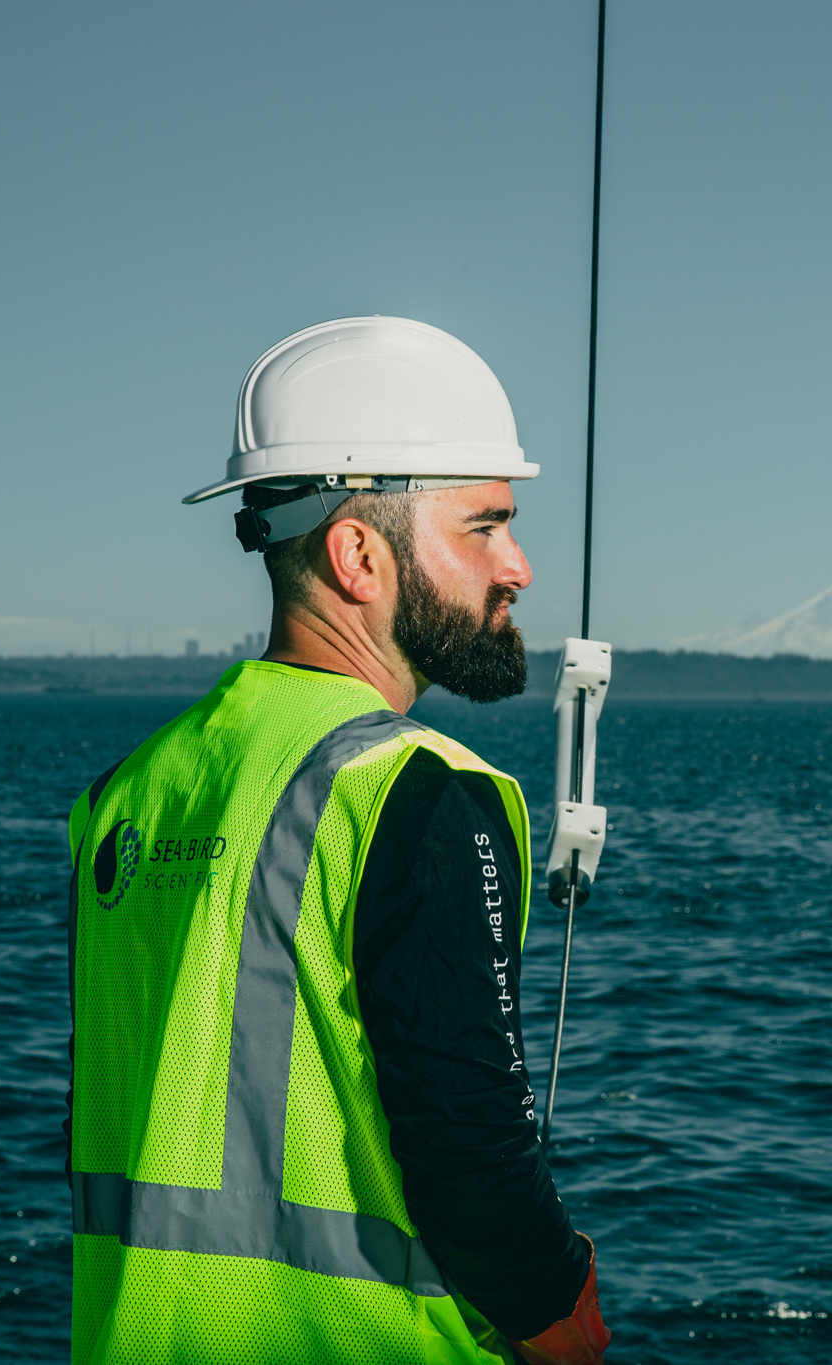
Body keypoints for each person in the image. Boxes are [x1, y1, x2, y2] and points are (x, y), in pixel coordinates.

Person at [65, 317, 611, 1365]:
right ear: (359, 553)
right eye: (484, 526)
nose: (520, 566)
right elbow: (473, 1158)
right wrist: (564, 1321)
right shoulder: (420, 789)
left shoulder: (125, 794)